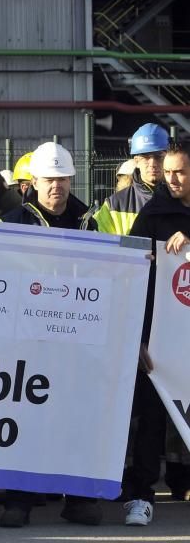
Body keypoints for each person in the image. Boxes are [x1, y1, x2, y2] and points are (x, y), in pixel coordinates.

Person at [0, 142, 101, 528]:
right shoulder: (13, 222)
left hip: (77, 341)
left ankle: (78, 499)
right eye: (48, 179)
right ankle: (20, 501)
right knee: (27, 418)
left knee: (77, 418)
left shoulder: (90, 222)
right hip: (29, 340)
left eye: (62, 178)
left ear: (71, 179)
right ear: (34, 182)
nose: (56, 186)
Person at [123, 142, 190, 527]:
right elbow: (129, 271)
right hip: (156, 339)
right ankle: (141, 495)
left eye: (180, 171)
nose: (172, 179)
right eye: (168, 172)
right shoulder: (152, 215)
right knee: (150, 418)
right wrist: (138, 337)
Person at [94, 123, 169, 236]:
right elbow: (99, 246)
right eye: (146, 157)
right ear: (136, 161)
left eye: (159, 156)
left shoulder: (185, 198)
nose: (152, 163)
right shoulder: (114, 205)